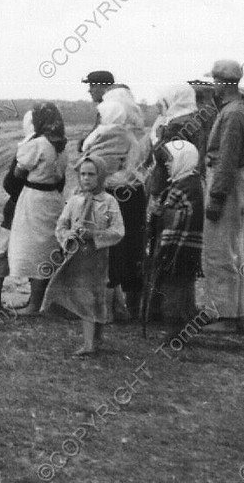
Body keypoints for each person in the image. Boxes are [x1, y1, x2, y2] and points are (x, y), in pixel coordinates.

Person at [43, 155, 125, 356]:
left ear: (101, 176)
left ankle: (95, 340)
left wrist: (95, 235)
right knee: (84, 296)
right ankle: (89, 343)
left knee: (97, 296)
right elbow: (61, 225)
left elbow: (118, 230)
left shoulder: (109, 202)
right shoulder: (74, 201)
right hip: (77, 256)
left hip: (98, 256)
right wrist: (68, 235)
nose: (86, 179)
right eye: (83, 174)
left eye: (91, 174)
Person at [80, 84, 148, 319]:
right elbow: (136, 166)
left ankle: (106, 308)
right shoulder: (133, 135)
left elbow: (90, 162)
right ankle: (128, 307)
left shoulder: (102, 135)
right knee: (129, 249)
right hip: (132, 194)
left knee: (108, 248)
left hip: (110, 193)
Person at [201, 59, 244, 332]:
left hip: (226, 183)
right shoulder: (237, 110)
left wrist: (216, 196)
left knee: (220, 250)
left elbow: (227, 159)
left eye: (215, 81)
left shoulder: (232, 114)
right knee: (231, 248)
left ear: (223, 82)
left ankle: (225, 316)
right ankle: (229, 310)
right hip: (232, 182)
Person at [6, 102, 70, 316]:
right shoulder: (62, 145)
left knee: (34, 250)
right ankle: (37, 300)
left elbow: (18, 172)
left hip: (34, 199)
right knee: (46, 248)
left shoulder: (39, 144)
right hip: (53, 198)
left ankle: (34, 305)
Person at [143, 139, 204, 326]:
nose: (167, 165)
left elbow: (187, 214)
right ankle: (166, 320)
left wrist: (162, 213)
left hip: (180, 248)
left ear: (183, 159)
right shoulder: (180, 183)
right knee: (172, 285)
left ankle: (175, 328)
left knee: (176, 288)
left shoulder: (189, 186)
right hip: (176, 246)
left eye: (170, 160)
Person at [0, 111, 34, 307]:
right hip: (38, 207)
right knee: (35, 250)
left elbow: (10, 182)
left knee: (2, 249)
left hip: (18, 205)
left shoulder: (26, 148)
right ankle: (34, 300)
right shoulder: (55, 148)